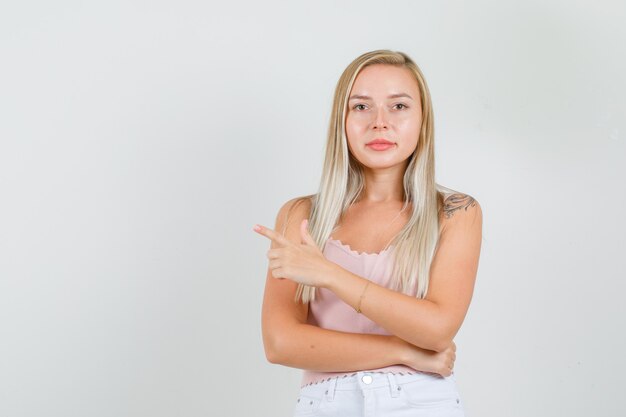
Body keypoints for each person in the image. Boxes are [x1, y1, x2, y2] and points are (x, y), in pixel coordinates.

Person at [253, 49, 482, 417]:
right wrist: (404, 350)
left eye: (399, 106)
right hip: (325, 404)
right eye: (361, 107)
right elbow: (280, 343)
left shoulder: (454, 212)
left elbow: (437, 329)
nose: (380, 122)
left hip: (422, 403)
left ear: (423, 119)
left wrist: (328, 274)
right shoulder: (302, 215)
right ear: (340, 121)